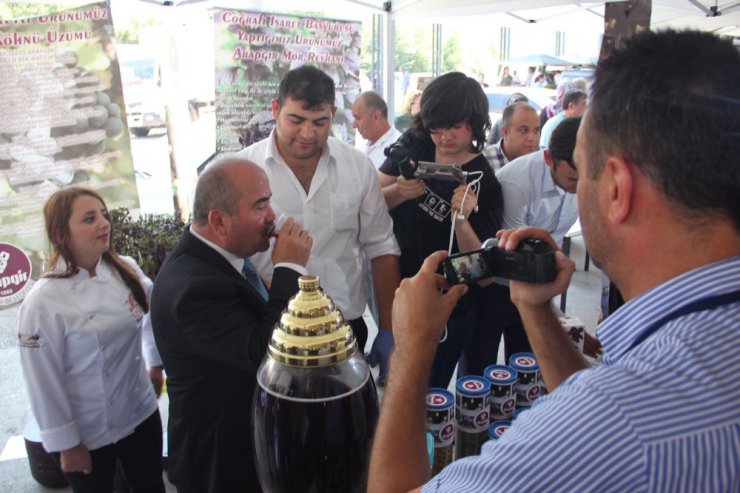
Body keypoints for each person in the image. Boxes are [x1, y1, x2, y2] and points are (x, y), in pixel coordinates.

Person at [368, 29, 740, 492]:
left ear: (617, 189)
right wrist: (536, 309)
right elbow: (593, 397)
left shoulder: (612, 427)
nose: (568, 194)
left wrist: (410, 349)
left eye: (580, 173)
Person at [150, 157, 313, 492]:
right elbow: (265, 353)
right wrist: (290, 269)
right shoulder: (194, 289)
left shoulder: (214, 257)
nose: (271, 216)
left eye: (269, 201)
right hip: (220, 460)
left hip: (243, 436)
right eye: (260, 205)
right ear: (219, 221)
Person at [237, 65, 401, 385]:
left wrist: (389, 328)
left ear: (333, 114)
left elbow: (381, 246)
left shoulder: (357, 167)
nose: (307, 134)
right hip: (272, 332)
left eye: (320, 122)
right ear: (275, 109)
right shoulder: (243, 170)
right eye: (296, 120)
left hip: (344, 328)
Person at [17, 187, 165, 493]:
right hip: (87, 431)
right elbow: (42, 381)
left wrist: (155, 364)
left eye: (104, 215)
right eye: (89, 218)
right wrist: (66, 443)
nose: (104, 223)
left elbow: (154, 314)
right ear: (60, 234)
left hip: (140, 412)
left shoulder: (125, 269)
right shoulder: (42, 302)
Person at [378, 72, 503, 388]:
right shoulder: (415, 142)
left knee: (429, 393)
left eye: (456, 126)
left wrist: (460, 219)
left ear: (475, 123)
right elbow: (372, 203)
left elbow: (485, 274)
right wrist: (398, 191)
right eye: (437, 126)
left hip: (448, 303)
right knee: (398, 385)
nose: (445, 136)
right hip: (397, 285)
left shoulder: (483, 180)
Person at [465, 117, 602, 376]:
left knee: (527, 365)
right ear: (548, 158)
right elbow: (516, 264)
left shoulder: (585, 180)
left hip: (538, 277)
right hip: (498, 281)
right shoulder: (519, 182)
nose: (580, 188)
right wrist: (565, 323)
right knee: (481, 365)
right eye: (573, 179)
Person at [483, 102, 541, 171]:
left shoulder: (543, 161)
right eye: (524, 130)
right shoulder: (483, 161)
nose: (532, 138)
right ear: (505, 132)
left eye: (536, 130)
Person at [352, 91, 403, 169]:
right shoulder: (361, 144)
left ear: (376, 116)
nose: (354, 125)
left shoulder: (398, 148)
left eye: (358, 118)